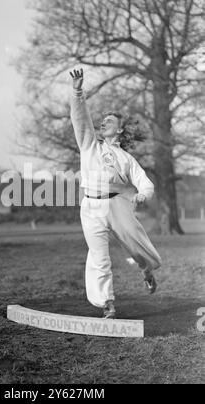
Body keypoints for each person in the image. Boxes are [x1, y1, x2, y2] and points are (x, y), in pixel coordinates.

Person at [69, 68, 162, 319]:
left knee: (137, 247)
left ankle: (147, 271)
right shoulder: (89, 145)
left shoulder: (126, 158)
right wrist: (77, 91)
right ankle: (107, 303)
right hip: (91, 207)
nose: (103, 123)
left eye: (110, 121)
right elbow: (81, 120)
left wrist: (143, 195)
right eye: (103, 121)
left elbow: (146, 184)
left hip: (118, 206)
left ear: (120, 130)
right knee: (99, 256)